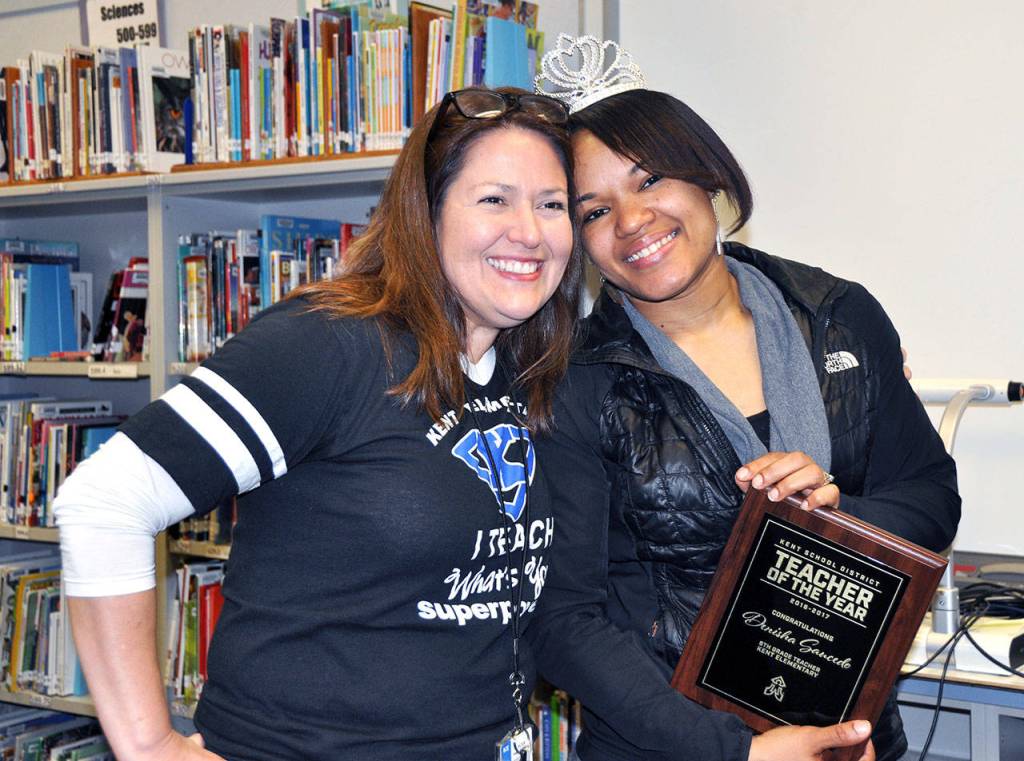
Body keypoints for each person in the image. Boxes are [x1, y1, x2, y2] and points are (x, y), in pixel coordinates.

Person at [54, 86, 582, 760]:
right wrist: (149, 740)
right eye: (494, 200)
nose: (530, 232)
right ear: (427, 214)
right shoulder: (329, 344)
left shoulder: (521, 366)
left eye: (552, 205)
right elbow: (103, 502)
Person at [529, 35, 961, 761]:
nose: (632, 221)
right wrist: (737, 752)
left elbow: (930, 495)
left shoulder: (838, 316)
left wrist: (836, 512)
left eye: (650, 179)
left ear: (707, 177)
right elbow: (564, 621)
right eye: (594, 211)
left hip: (848, 736)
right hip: (671, 747)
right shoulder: (575, 380)